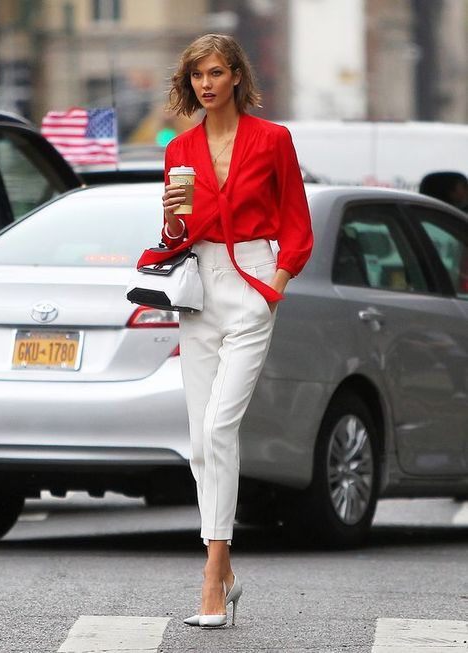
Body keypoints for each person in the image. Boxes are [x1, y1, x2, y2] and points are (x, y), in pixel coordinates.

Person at [153, 33, 313, 628]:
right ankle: (227, 571)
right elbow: (173, 240)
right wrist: (172, 218)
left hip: (249, 287)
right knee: (199, 441)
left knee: (221, 425)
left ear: (237, 76)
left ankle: (210, 578)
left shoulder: (273, 140)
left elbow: (298, 225)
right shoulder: (179, 149)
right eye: (198, 75)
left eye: (217, 72)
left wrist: (274, 286)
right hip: (199, 293)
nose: (207, 84)